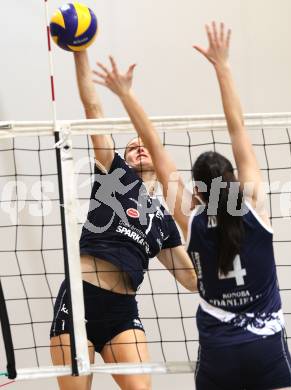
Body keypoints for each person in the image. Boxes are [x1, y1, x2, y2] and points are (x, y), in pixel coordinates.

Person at [93, 21, 291, 390]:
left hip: (220, 348)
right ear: (234, 179)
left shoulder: (191, 218)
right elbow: (238, 129)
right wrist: (223, 67)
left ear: (197, 191)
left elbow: (153, 143)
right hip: (265, 344)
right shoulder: (254, 207)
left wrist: (124, 95)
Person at [50, 50, 197, 390]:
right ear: (124, 158)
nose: (140, 148)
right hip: (79, 299)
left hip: (121, 309)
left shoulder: (164, 220)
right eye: (132, 147)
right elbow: (93, 110)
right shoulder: (114, 175)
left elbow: (191, 280)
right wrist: (81, 52)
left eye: (145, 144)